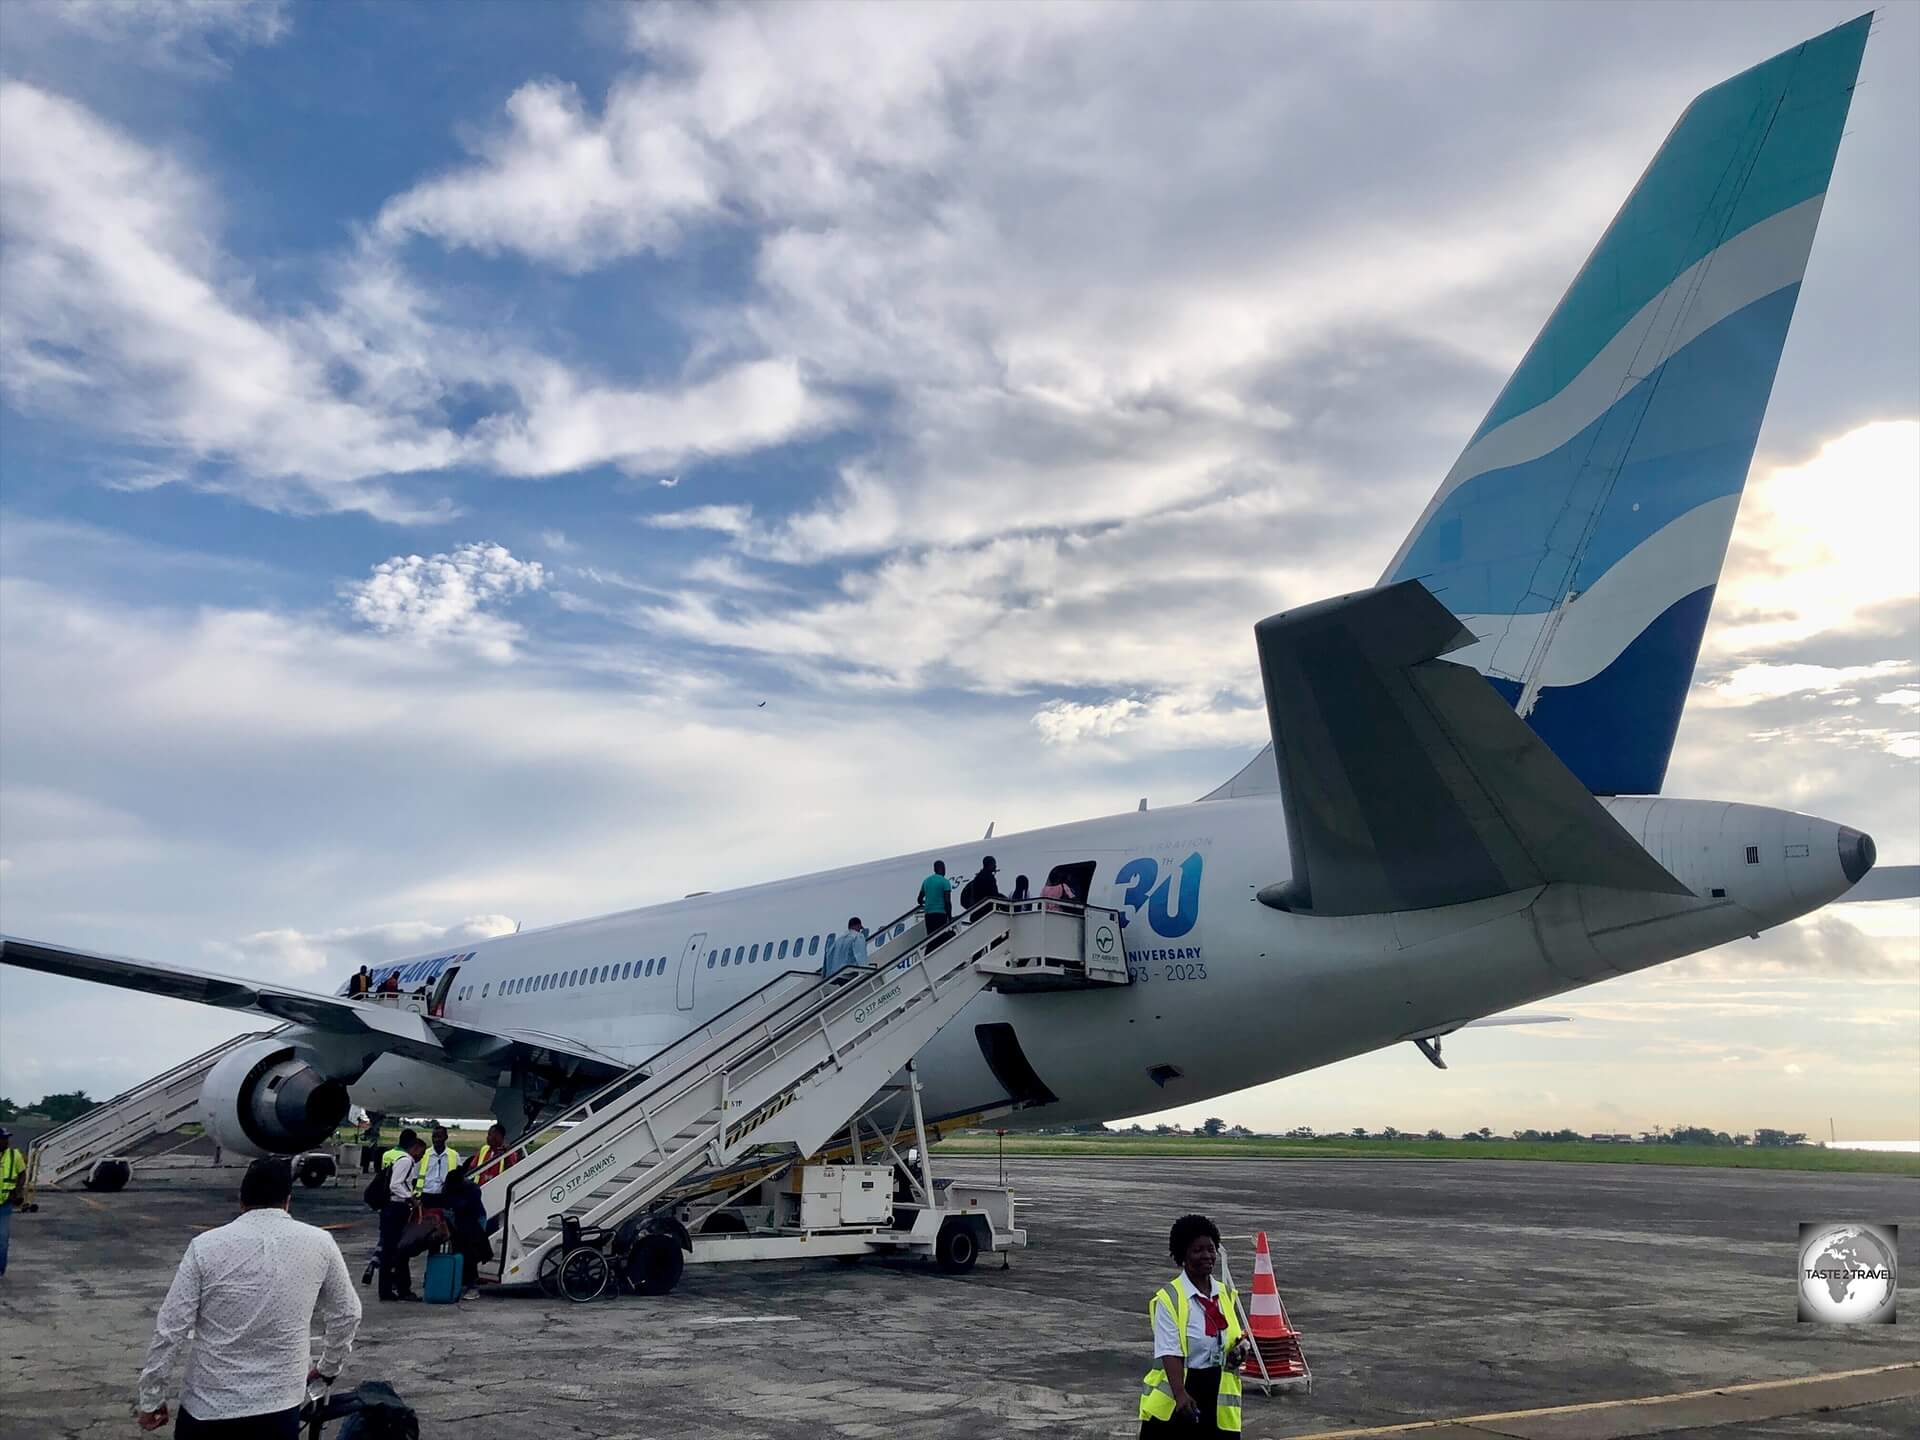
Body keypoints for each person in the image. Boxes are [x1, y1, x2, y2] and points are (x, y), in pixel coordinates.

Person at [135, 1157, 360, 1438]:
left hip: (209, 1406)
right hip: (279, 1406)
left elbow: (171, 1328)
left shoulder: (205, 1246)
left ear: (241, 1199)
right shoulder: (320, 1243)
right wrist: (327, 1368)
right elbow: (347, 1313)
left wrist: (152, 1397)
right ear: (287, 1200)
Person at [1138, 1213, 1248, 1434]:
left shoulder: (1225, 1294)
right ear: (1183, 1255)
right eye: (1197, 1250)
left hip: (1217, 1398)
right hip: (1179, 1398)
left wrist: (1241, 1350)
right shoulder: (1169, 1299)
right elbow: (1170, 1352)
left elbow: (1235, 1337)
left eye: (1210, 1249)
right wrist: (1180, 1394)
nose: (1207, 1255)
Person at [378, 1135, 425, 1302]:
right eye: (421, 1152)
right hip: (396, 1208)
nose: (421, 1156)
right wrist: (410, 1197)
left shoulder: (401, 1159)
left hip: (393, 1209)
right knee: (395, 1250)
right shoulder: (406, 1161)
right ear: (415, 1148)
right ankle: (393, 1290)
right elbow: (395, 1184)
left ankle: (392, 1288)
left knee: (392, 1250)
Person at [0, 1125, 24, 1279]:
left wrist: (17, 1191)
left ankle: (0, 1269)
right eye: (3, 1139)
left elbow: (22, 1174)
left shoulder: (15, 1155)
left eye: (7, 1138)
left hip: (5, 1204)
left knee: (2, 1238)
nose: (6, 1141)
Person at [416, 1125, 459, 1201]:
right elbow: (415, 1176)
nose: (436, 1140)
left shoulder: (454, 1155)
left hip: (445, 1196)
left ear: (446, 1137)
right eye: (434, 1137)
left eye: (439, 1137)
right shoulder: (424, 1154)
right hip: (425, 1195)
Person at [918, 860, 954, 939]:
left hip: (928, 915)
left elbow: (919, 899)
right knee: (940, 937)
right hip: (940, 914)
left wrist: (927, 902)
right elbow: (947, 901)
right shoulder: (945, 882)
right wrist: (950, 917)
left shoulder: (926, 881)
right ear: (943, 868)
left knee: (931, 938)